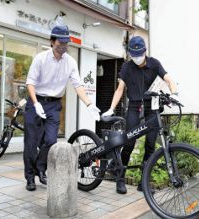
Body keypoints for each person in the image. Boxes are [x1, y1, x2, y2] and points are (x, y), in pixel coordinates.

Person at [24, 25, 100, 191]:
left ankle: (40, 167)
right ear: (52, 42)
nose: (64, 46)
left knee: (51, 140)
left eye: (67, 43)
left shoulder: (70, 61)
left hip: (54, 104)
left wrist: (89, 104)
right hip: (35, 101)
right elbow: (30, 82)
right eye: (61, 43)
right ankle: (30, 177)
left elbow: (78, 85)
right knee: (30, 143)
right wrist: (36, 103)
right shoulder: (41, 58)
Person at [101, 36, 178, 194]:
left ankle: (144, 182)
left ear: (145, 52)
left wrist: (174, 93)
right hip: (135, 107)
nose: (136, 58)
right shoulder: (127, 67)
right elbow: (120, 89)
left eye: (139, 54)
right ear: (130, 54)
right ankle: (120, 179)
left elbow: (169, 79)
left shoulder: (154, 64)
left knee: (150, 145)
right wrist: (111, 108)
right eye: (133, 55)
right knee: (129, 142)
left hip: (152, 108)